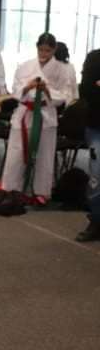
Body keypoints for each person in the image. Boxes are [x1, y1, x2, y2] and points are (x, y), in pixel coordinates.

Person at [0, 33, 70, 204]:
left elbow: (65, 95)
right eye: (41, 50)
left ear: (54, 50)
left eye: (47, 50)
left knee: (45, 154)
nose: (43, 53)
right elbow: (16, 90)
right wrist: (27, 87)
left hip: (46, 113)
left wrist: (46, 90)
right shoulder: (25, 66)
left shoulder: (62, 70)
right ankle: (10, 189)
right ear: (37, 47)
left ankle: (42, 192)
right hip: (25, 111)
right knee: (16, 152)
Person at [76, 49, 100, 241]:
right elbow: (86, 89)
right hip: (97, 126)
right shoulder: (94, 58)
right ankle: (97, 220)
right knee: (97, 175)